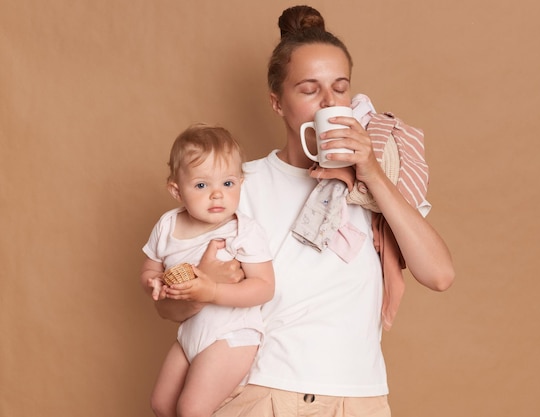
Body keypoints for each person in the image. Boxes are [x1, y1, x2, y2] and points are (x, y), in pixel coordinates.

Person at [158, 5, 454, 416]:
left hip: (360, 398)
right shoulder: (237, 187)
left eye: (340, 88)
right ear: (277, 102)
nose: (329, 102)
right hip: (264, 394)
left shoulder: (376, 185)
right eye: (309, 89)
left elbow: (439, 275)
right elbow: (168, 307)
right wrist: (201, 284)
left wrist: (369, 171)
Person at [140, 123, 275, 417]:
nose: (217, 195)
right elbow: (150, 268)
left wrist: (213, 290)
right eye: (202, 185)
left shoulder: (242, 230)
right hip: (190, 333)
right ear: (177, 190)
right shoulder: (168, 225)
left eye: (227, 184)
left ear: (241, 183)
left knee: (192, 409)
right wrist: (154, 282)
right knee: (161, 403)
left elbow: (264, 286)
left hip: (231, 334)